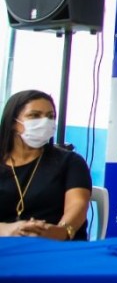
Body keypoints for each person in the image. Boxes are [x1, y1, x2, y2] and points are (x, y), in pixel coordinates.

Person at [0, 89, 91, 240]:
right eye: (34, 115)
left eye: (50, 116)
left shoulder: (70, 162)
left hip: (55, 247)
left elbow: (78, 205)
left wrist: (61, 231)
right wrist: (8, 229)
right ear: (13, 123)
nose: (45, 122)